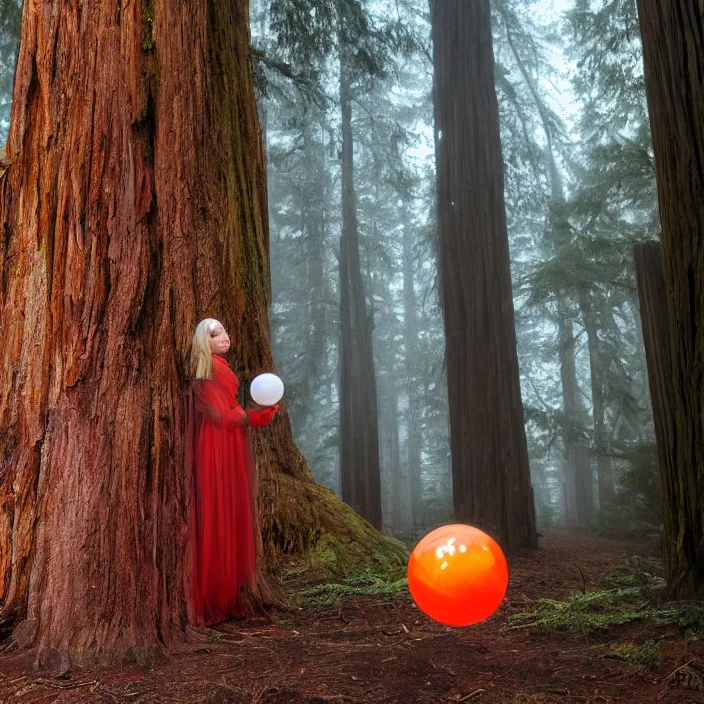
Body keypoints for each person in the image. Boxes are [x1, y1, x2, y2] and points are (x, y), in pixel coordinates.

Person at [187, 318, 280, 625]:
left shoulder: (213, 367)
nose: (224, 337)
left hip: (223, 442)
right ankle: (215, 596)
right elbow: (219, 414)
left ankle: (222, 593)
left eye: (225, 331)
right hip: (217, 445)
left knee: (225, 509)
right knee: (219, 508)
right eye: (215, 334)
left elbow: (225, 412)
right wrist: (250, 415)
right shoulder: (209, 369)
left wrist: (251, 415)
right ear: (204, 342)